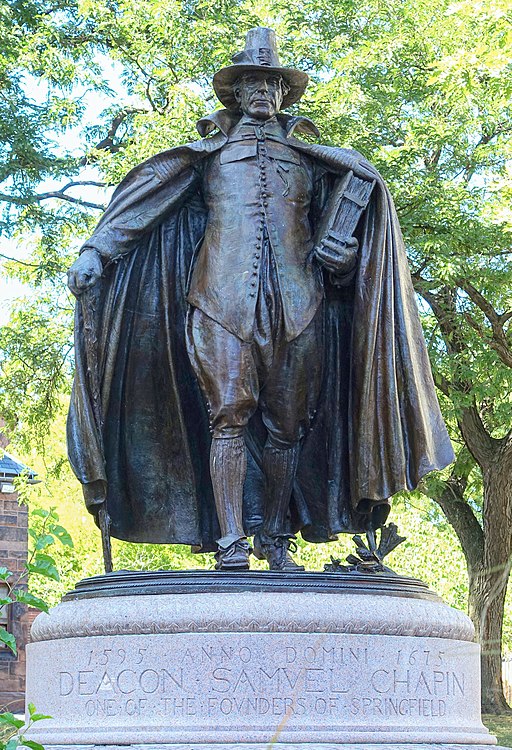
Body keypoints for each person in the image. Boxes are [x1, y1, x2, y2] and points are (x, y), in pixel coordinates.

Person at [67, 28, 454, 572]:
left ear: (284, 95)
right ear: (236, 93)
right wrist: (96, 251)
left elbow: (342, 240)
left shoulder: (315, 161)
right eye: (252, 82)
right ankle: (230, 540)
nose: (262, 92)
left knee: (287, 425)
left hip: (299, 307)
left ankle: (273, 536)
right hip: (219, 304)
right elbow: (146, 201)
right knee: (228, 414)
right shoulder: (208, 156)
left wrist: (345, 260)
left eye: (272, 83)